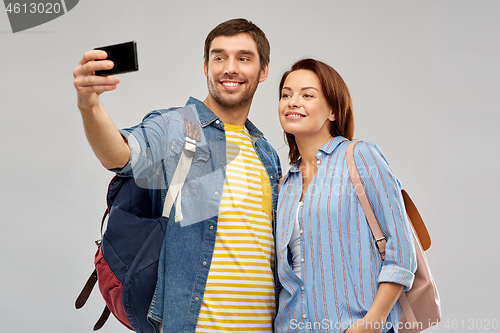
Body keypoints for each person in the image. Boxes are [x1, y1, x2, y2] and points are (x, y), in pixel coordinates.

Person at [73, 19, 282, 333]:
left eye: (243, 58)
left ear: (263, 70)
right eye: (219, 57)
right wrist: (89, 105)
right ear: (205, 66)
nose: (230, 68)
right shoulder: (179, 127)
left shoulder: (266, 153)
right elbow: (121, 155)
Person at [274, 58, 417, 333]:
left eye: (307, 95)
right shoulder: (286, 184)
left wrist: (369, 325)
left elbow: (401, 253)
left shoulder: (359, 156)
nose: (293, 101)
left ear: (333, 111)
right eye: (286, 94)